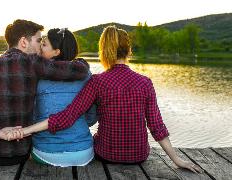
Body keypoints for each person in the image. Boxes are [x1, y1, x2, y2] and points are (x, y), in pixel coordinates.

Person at [11, 26, 203, 173]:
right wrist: (177, 160)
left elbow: (67, 117)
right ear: (128, 51)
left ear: (103, 50)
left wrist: (25, 131)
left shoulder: (98, 81)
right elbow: (156, 126)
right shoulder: (145, 82)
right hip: (139, 156)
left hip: (107, 155)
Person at [0, 19, 89, 166]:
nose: (40, 47)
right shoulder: (33, 63)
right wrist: (82, 62)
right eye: (38, 41)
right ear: (24, 42)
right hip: (17, 155)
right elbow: (78, 71)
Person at [31, 28, 97, 167]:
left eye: (44, 44)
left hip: (47, 152)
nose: (39, 48)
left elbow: (31, 116)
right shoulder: (86, 74)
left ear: (56, 52)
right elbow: (91, 118)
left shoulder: (36, 75)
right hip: (84, 152)